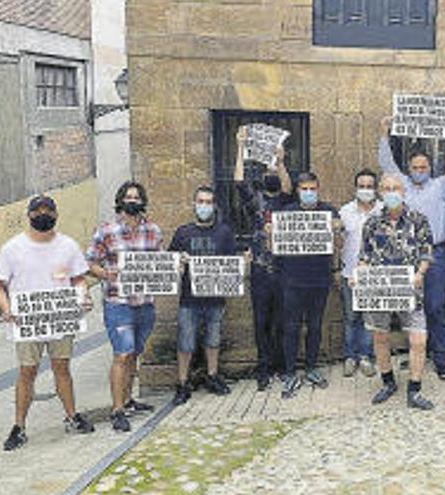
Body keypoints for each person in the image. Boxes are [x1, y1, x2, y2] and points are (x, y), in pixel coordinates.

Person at [0, 195, 95, 451]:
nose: (43, 214)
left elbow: (79, 279)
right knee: (27, 372)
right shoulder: (12, 248)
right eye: (37, 211)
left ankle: (72, 416)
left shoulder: (68, 246)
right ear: (29, 216)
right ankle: (19, 427)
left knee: (62, 368)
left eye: (48, 210)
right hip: (27, 322)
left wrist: (83, 296)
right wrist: (6, 309)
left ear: (56, 215)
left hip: (59, 320)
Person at [378, 117, 445, 380]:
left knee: (436, 307)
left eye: (423, 166)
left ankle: (440, 358)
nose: (419, 170)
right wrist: (384, 133)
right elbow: (386, 164)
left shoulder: (440, 187)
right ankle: (417, 353)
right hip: (405, 255)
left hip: (436, 253)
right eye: (415, 166)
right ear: (409, 168)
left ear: (430, 167)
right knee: (408, 309)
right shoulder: (401, 187)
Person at [87, 181, 163, 432]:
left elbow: (160, 262)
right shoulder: (106, 231)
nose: (132, 200)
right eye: (128, 197)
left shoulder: (153, 230)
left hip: (145, 303)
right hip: (118, 303)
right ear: (121, 201)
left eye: (136, 197)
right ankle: (117, 409)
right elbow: (90, 263)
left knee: (134, 353)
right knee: (122, 353)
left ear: (142, 201)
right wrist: (107, 274)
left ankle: (129, 399)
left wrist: (172, 268)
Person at [358, 173, 436, 410]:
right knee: (381, 338)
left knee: (419, 340)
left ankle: (414, 389)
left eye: (396, 188)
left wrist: (420, 273)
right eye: (387, 188)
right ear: (381, 193)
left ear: (404, 192)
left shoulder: (418, 220)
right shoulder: (372, 223)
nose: (391, 192)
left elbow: (426, 252)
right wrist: (360, 275)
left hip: (411, 290)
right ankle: (388, 382)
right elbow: (364, 256)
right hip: (380, 291)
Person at [234, 126, 294, 391]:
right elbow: (238, 182)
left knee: (282, 320)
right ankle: (263, 368)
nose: (271, 176)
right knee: (261, 322)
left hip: (284, 270)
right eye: (268, 171)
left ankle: (282, 366)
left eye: (274, 173)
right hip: (260, 269)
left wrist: (280, 162)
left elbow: (289, 187)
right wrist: (239, 147)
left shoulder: (285, 202)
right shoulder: (255, 199)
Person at [274, 171, 342, 398]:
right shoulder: (287, 213)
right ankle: (290, 371)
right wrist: (270, 233)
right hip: (291, 280)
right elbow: (275, 243)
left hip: (319, 279)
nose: (309, 193)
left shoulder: (328, 211)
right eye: (304, 189)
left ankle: (311, 368)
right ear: (297, 191)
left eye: (313, 189)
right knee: (291, 327)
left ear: (318, 189)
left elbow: (340, 230)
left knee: (315, 326)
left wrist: (337, 226)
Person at [168, 186, 237, 406]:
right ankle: (182, 382)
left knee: (213, 339)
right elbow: (169, 263)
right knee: (185, 341)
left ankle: (212, 375)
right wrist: (179, 261)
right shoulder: (183, 233)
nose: (204, 206)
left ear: (214, 206)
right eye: (200, 201)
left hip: (216, 299)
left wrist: (241, 264)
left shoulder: (224, 233)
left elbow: (231, 264)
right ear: (194, 204)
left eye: (208, 202)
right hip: (189, 299)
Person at [339, 169, 382, 377]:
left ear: (376, 188)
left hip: (375, 275)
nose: (365, 190)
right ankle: (350, 356)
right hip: (349, 273)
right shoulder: (345, 211)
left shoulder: (384, 211)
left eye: (369, 186)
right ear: (356, 188)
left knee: (370, 317)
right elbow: (338, 240)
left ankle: (366, 356)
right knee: (350, 317)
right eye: (362, 186)